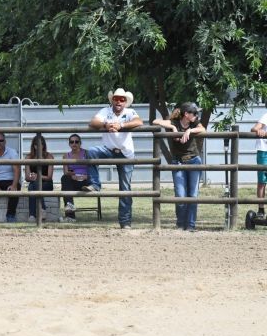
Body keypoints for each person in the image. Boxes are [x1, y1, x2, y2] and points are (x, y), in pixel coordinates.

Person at [84, 88, 143, 229]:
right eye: (116, 99)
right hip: (108, 149)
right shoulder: (105, 111)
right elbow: (93, 122)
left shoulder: (130, 112)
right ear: (112, 100)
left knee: (125, 188)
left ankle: (125, 222)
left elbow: (139, 122)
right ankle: (95, 184)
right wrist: (106, 125)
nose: (118, 101)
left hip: (125, 153)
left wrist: (120, 125)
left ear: (125, 102)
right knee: (91, 152)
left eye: (122, 99)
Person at [153, 102, 205, 231]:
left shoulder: (194, 123)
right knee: (180, 194)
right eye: (194, 113)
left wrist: (190, 130)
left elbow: (203, 129)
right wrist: (174, 129)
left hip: (193, 160)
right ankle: (181, 224)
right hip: (178, 162)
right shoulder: (175, 122)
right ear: (186, 114)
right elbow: (155, 121)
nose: (196, 115)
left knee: (193, 194)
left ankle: (191, 225)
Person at [60, 134, 91, 222]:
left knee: (66, 187)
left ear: (80, 143)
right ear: (69, 144)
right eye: (72, 142)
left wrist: (86, 176)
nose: (74, 144)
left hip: (86, 181)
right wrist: (72, 175)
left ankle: (70, 216)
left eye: (76, 142)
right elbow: (66, 172)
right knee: (65, 178)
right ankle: (70, 216)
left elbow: (93, 169)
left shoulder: (87, 153)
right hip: (74, 181)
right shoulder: (66, 156)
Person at [24, 135, 54, 221]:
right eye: (36, 144)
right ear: (34, 146)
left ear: (44, 145)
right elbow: (27, 177)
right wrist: (33, 177)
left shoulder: (49, 157)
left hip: (47, 184)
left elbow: (49, 177)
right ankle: (41, 210)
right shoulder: (28, 157)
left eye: (41, 144)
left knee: (32, 186)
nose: (39, 147)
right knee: (32, 186)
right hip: (34, 182)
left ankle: (32, 215)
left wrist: (38, 176)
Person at [250, 108, 267, 218]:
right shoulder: (266, 115)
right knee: (262, 181)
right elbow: (254, 128)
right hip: (264, 151)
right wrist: (259, 130)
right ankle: (261, 210)